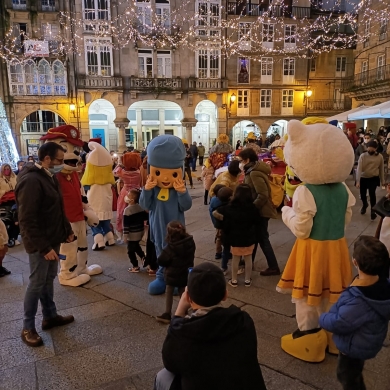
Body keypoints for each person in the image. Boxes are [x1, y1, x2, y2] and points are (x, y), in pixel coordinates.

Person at [155, 262, 267, 390]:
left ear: (188, 298)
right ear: (225, 295)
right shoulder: (243, 321)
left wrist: (178, 314)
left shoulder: (184, 334)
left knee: (163, 377)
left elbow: (170, 362)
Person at [15, 142, 75, 347]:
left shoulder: (50, 176)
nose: (62, 164)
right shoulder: (31, 180)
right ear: (46, 159)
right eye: (59, 160)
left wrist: (66, 230)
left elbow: (58, 206)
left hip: (53, 237)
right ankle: (27, 327)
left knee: (48, 278)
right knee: (37, 282)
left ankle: (50, 316)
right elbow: (27, 220)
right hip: (40, 242)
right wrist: (44, 247)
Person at [319, 236, 390, 390]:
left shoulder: (358, 301)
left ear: (355, 262)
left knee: (346, 375)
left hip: (353, 346)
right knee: (355, 373)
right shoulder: (384, 284)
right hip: (367, 340)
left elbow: (339, 322)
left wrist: (323, 318)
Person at [238, 148, 280, 276]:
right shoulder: (252, 170)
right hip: (258, 210)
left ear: (247, 160)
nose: (240, 163)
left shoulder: (254, 173)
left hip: (260, 211)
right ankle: (248, 263)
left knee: (262, 238)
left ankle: (273, 267)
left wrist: (252, 208)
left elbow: (262, 194)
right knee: (256, 237)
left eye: (241, 161)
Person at [213, 184, 259, 287]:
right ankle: (247, 280)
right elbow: (257, 221)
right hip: (249, 238)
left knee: (235, 259)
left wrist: (223, 221)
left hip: (235, 238)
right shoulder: (253, 207)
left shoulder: (230, 207)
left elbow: (215, 213)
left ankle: (234, 280)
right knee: (248, 258)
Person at [156, 221, 196, 324]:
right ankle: (185, 312)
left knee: (169, 291)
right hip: (185, 272)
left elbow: (161, 260)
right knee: (183, 292)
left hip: (172, 275)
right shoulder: (190, 242)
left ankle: (167, 313)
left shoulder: (170, 248)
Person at [356, 140, 385, 220]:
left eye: (372, 149)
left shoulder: (380, 157)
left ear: (376, 149)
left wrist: (383, 181)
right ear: (366, 148)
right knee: (362, 195)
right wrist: (358, 181)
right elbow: (359, 169)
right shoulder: (363, 156)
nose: (370, 151)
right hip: (363, 178)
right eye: (369, 149)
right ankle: (365, 205)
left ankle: (373, 211)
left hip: (373, 178)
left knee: (372, 194)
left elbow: (381, 169)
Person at [123, 189, 148, 273]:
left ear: (132, 200)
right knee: (136, 245)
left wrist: (125, 236)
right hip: (140, 231)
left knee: (130, 251)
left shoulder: (127, 210)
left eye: (128, 195)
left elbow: (126, 225)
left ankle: (135, 266)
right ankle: (143, 257)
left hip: (132, 233)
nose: (126, 196)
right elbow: (145, 217)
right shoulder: (140, 207)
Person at [0, 163, 19, 245]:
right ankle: (8, 237)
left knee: (16, 218)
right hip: (4, 201)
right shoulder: (0, 179)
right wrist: (4, 192)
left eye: (8, 169)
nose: (7, 171)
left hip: (15, 200)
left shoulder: (14, 177)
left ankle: (15, 237)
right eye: (5, 169)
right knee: (8, 220)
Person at [209, 184, 227, 261]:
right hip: (222, 224)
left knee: (218, 238)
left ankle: (218, 253)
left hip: (216, 223)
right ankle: (226, 253)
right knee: (223, 238)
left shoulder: (213, 200)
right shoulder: (221, 202)